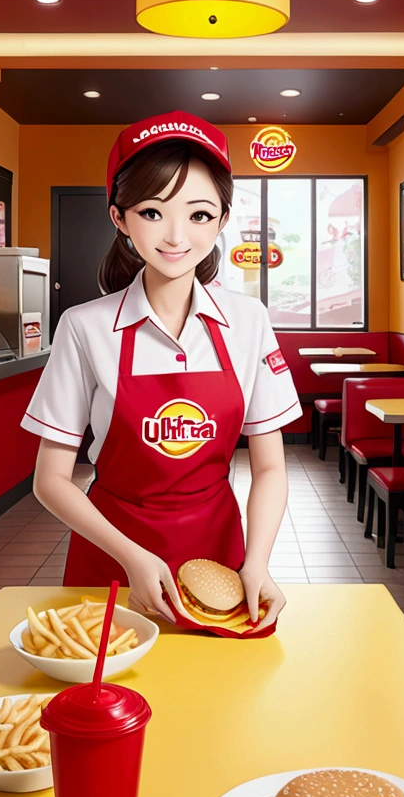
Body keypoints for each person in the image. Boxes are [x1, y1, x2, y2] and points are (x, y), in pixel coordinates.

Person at [22, 111, 302, 631]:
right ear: (120, 218)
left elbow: (269, 468)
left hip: (221, 556)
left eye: (198, 215)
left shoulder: (248, 321)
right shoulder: (83, 327)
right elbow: (51, 480)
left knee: (220, 702)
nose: (176, 236)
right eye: (152, 212)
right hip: (110, 554)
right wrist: (131, 556)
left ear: (221, 220)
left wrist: (257, 562)